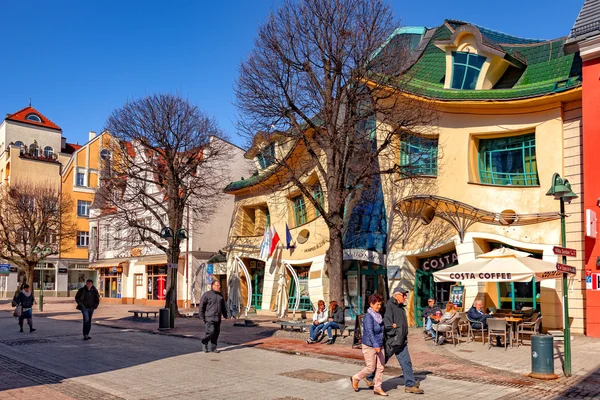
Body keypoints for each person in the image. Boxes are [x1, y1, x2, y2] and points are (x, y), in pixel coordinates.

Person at [351, 294, 388, 396]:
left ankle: (377, 388)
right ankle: (356, 377)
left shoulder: (379, 316)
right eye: (377, 304)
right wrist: (375, 345)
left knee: (381, 367)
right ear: (371, 304)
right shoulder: (368, 317)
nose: (379, 307)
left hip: (380, 345)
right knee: (371, 368)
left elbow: (381, 330)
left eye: (380, 304)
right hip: (369, 345)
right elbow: (370, 332)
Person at [199, 280, 228, 353]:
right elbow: (201, 306)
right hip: (209, 317)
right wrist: (201, 316)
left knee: (216, 333)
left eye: (219, 286)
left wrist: (225, 315)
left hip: (217, 318)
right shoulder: (207, 295)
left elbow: (223, 306)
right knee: (210, 331)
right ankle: (204, 342)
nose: (218, 287)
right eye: (217, 285)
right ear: (212, 285)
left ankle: (213, 347)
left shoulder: (220, 295)